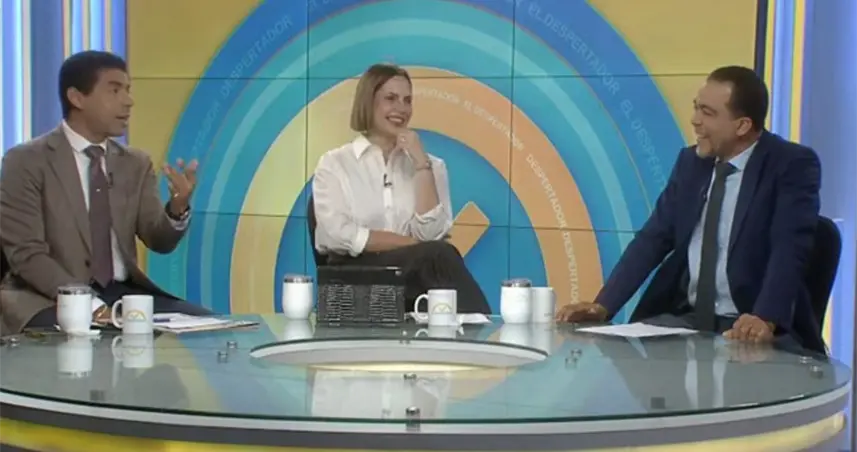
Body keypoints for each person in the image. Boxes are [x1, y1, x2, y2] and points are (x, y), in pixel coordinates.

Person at [556, 66, 824, 352]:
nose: (695, 120)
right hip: (688, 319)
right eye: (696, 108)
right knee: (618, 358)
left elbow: (789, 247)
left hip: (749, 323)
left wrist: (765, 317)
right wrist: (603, 305)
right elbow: (653, 238)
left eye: (707, 113)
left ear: (742, 126)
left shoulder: (791, 164)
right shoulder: (690, 164)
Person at [0, 50, 212, 335]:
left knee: (212, 330)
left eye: (128, 90)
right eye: (114, 90)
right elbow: (27, 254)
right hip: (46, 298)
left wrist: (177, 207)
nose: (128, 101)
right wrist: (90, 305)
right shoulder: (26, 161)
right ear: (77, 98)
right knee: (102, 338)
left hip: (123, 295)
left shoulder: (135, 163)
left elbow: (159, 240)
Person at [312, 63, 490, 314]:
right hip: (353, 276)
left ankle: (472, 327)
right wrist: (409, 243)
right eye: (391, 98)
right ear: (368, 101)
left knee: (437, 255)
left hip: (412, 275)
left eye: (407, 100)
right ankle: (483, 330)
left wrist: (421, 166)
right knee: (438, 255)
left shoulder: (431, 165)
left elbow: (430, 235)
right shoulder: (335, 163)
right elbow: (337, 234)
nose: (401, 108)